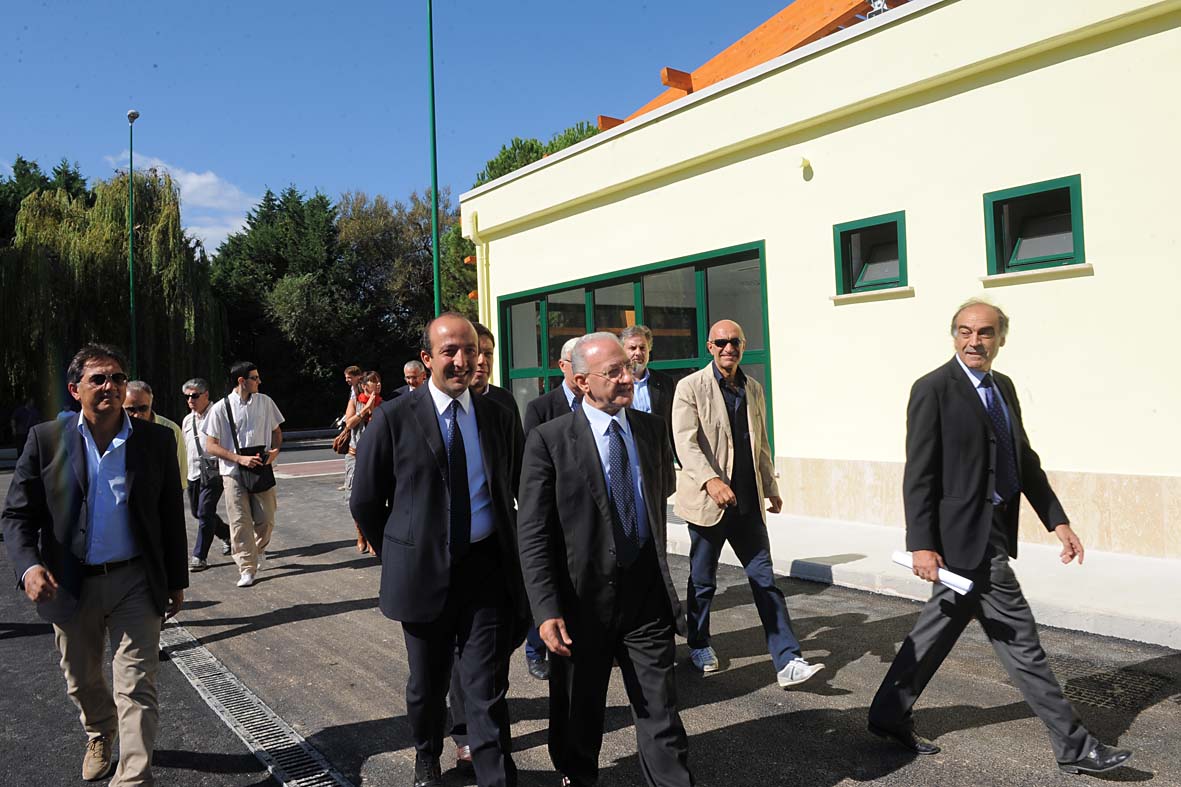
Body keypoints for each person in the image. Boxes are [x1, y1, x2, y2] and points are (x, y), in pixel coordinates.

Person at [867, 300, 1133, 775]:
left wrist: (1057, 520)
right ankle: (1075, 747)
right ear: (953, 337)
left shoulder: (1002, 387)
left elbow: (1022, 459)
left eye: (985, 333)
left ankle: (888, 713)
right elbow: (920, 474)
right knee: (1022, 642)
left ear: (1000, 339)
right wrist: (920, 543)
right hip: (960, 540)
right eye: (966, 332)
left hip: (991, 529)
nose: (975, 342)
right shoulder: (932, 389)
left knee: (936, 630)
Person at [351, 312, 527, 787]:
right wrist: (402, 550)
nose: (462, 360)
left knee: (486, 685)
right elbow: (366, 500)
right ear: (428, 359)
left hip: (486, 569)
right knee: (426, 686)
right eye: (450, 351)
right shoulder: (393, 417)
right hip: (422, 573)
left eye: (469, 350)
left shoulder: (499, 413)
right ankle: (426, 755)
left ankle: (494, 774)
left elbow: (517, 488)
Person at [2, 344, 187, 785]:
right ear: (75, 389)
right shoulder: (46, 440)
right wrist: (29, 568)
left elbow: (168, 517)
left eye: (118, 378)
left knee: (137, 686)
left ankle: (133, 778)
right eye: (98, 379)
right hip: (69, 583)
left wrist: (176, 581)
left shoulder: (154, 440)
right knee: (82, 679)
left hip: (135, 582)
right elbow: (16, 515)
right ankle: (99, 732)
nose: (110, 386)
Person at [518, 332, 693, 787]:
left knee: (661, 713)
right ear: (580, 381)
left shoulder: (651, 431)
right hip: (581, 604)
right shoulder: (548, 440)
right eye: (612, 372)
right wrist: (546, 608)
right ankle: (578, 776)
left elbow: (657, 495)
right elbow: (534, 533)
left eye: (627, 368)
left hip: (645, 598)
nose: (626, 378)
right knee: (581, 713)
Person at [672, 319, 823, 687]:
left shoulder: (752, 388)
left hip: (748, 505)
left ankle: (788, 661)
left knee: (765, 581)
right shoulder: (689, 388)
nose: (728, 348)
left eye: (735, 342)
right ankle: (699, 642)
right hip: (710, 505)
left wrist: (770, 485)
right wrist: (710, 481)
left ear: (743, 345)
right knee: (704, 580)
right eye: (721, 342)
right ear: (710, 346)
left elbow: (762, 442)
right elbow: (685, 443)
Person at [201, 362, 285, 589]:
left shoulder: (266, 402)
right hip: (233, 472)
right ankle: (247, 567)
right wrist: (239, 459)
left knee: (267, 519)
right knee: (239, 522)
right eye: (255, 378)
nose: (259, 381)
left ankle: (256, 551)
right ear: (242, 381)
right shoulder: (221, 408)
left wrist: (275, 452)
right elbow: (210, 445)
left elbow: (277, 432)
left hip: (260, 467)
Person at [180, 378, 232, 571]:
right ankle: (228, 535)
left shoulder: (218, 414)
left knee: (205, 512)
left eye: (194, 396)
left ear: (206, 395)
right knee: (197, 512)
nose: (191, 400)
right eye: (187, 397)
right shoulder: (188, 419)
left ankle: (199, 556)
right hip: (193, 472)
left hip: (214, 471)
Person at [341, 371, 382, 554]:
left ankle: (372, 535)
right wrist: (365, 409)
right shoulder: (355, 401)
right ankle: (361, 533)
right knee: (354, 498)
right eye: (374, 382)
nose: (378, 384)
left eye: (379, 381)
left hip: (376, 456)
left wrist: (374, 409)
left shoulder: (385, 404)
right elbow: (349, 423)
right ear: (365, 386)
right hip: (355, 455)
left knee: (376, 496)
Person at [124, 380, 188, 492]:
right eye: (131, 410)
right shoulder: (115, 430)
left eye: (143, 408)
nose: (137, 415)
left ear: (151, 403)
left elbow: (180, 473)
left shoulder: (171, 430)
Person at [619, 325, 675, 440]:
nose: (638, 353)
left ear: (649, 349)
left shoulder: (665, 382)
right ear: (622, 351)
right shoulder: (616, 383)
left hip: (658, 449)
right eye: (632, 348)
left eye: (642, 348)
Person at [522, 337, 583, 435]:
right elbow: (533, 448)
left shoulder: (602, 402)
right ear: (562, 365)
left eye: (587, 364)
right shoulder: (539, 408)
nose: (583, 369)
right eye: (576, 363)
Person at [337, 365, 364, 492]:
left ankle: (351, 482)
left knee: (352, 453)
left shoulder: (362, 389)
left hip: (358, 425)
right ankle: (348, 481)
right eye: (346, 378)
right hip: (351, 423)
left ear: (358, 377)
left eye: (349, 377)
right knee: (350, 453)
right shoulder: (353, 389)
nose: (347, 380)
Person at [11, 396, 40, 461]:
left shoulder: (34, 411)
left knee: (32, 447)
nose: (33, 403)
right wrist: (14, 428)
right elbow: (13, 419)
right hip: (21, 431)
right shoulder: (19, 410)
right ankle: (20, 461)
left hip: (32, 432)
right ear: (28, 402)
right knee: (21, 447)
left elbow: (38, 421)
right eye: (32, 401)